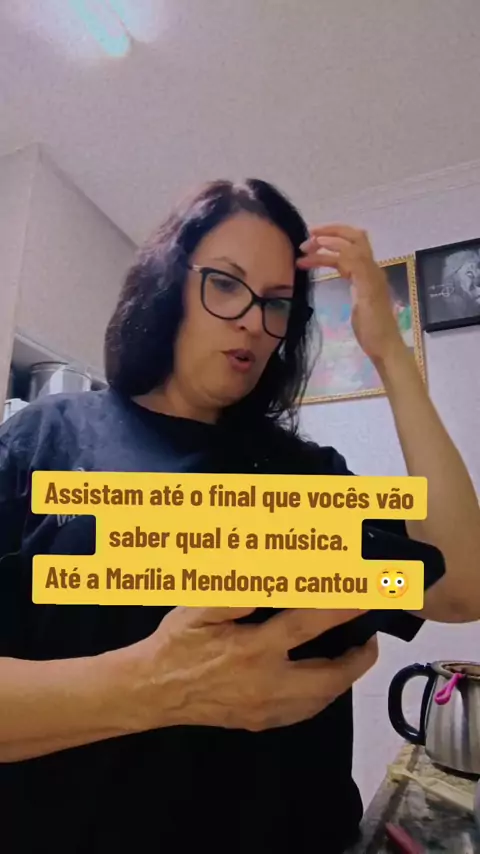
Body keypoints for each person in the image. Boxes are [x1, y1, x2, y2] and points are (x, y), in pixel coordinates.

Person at [1, 179, 479, 854]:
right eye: (226, 284)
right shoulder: (44, 439)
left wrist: (390, 353)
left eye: (277, 302)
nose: (255, 321)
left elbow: (461, 586)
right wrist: (151, 689)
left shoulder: (308, 474)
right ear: (168, 285)